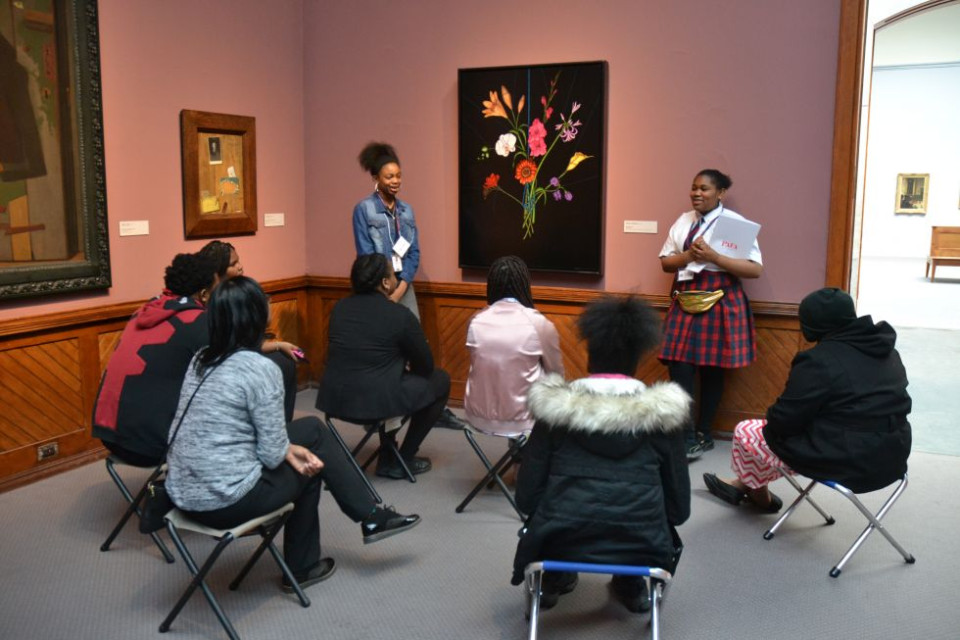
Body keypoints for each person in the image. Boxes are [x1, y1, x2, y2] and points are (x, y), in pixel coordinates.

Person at [165, 276, 420, 592]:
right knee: (310, 465)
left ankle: (369, 516)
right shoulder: (261, 370)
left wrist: (286, 447)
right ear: (257, 315)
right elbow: (272, 454)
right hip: (223, 502)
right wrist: (289, 451)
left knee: (312, 429)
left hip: (180, 492)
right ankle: (305, 565)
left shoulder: (201, 359)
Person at [511, 297, 691, 614]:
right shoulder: (664, 419)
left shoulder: (553, 414)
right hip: (642, 544)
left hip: (559, 539)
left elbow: (527, 498)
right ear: (636, 360)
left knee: (557, 520)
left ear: (591, 357)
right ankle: (630, 580)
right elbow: (678, 511)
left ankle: (554, 575)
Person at [703, 288, 912, 512]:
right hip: (894, 454)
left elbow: (783, 421)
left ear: (811, 325)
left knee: (749, 431)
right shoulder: (886, 350)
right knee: (796, 427)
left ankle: (757, 493)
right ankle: (745, 486)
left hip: (853, 462)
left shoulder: (819, 361)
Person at [351, 142, 465, 431]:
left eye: (399, 176)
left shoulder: (407, 211)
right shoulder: (363, 210)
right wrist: (384, 289)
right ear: (376, 177)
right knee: (384, 350)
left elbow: (413, 253)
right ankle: (382, 413)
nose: (396, 181)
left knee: (416, 347)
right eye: (389, 176)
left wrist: (401, 287)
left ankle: (422, 404)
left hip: (403, 287)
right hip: (375, 290)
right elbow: (366, 254)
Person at [658, 169, 763, 460]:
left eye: (704, 189)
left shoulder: (734, 224)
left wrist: (715, 258)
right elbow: (667, 263)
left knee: (713, 369)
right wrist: (690, 256)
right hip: (685, 296)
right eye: (694, 188)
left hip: (721, 297)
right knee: (679, 367)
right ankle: (685, 433)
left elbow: (754, 269)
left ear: (720, 194)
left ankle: (704, 432)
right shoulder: (683, 221)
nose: (696, 194)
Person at [316, 254, 451, 479]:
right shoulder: (399, 315)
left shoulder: (339, 309)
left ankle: (389, 452)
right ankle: (404, 457)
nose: (394, 275)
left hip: (336, 400)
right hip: (375, 404)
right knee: (440, 380)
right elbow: (426, 366)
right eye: (391, 272)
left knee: (387, 381)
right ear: (385, 283)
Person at [92, 252, 217, 467]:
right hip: (149, 445)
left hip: (109, 435)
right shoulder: (199, 321)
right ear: (204, 294)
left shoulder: (142, 312)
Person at [199, 239, 302, 422]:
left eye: (239, 261)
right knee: (277, 365)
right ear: (217, 274)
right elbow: (231, 347)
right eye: (233, 264)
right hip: (224, 365)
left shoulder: (237, 295)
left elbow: (244, 340)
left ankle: (282, 425)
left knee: (284, 359)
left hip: (238, 354)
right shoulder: (211, 303)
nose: (240, 267)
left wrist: (278, 345)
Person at [463, 256, 564, 436]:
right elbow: (556, 374)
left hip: (476, 415)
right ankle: (527, 454)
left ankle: (520, 451)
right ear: (525, 285)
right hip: (526, 420)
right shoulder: (538, 323)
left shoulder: (475, 321)